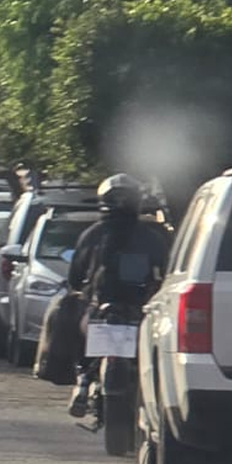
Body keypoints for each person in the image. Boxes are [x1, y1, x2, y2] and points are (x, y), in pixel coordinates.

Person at [65, 173, 173, 418]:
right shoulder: (153, 236)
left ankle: (82, 378)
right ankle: (86, 379)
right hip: (137, 310)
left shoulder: (93, 234)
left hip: (103, 308)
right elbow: (166, 272)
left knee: (72, 322)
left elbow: (75, 274)